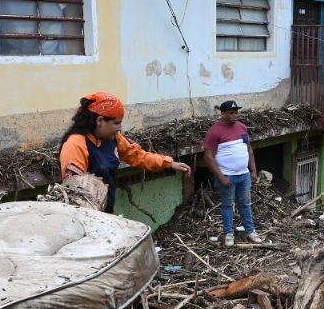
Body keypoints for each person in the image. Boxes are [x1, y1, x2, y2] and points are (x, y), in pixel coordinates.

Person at [59, 92, 191, 214]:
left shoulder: (113, 138)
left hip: (106, 211)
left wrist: (169, 163)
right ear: (99, 121)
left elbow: (138, 156)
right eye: (116, 123)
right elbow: (75, 194)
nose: (119, 128)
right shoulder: (75, 145)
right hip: (88, 217)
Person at [204, 100, 262, 246]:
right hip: (227, 176)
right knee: (228, 205)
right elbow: (208, 157)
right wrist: (221, 177)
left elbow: (249, 149)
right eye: (231, 113)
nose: (234, 115)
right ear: (223, 114)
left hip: (244, 175)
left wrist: (253, 171)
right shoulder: (215, 131)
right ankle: (229, 233)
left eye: (236, 112)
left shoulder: (242, 127)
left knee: (245, 203)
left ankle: (250, 231)